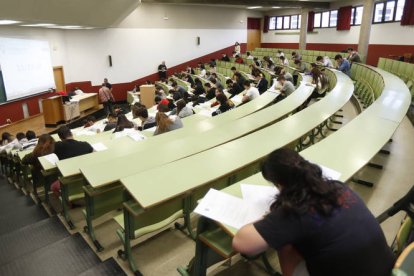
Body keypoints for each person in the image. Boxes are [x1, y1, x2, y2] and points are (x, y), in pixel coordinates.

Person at [232, 148, 394, 276]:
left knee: (285, 242)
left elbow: (241, 243)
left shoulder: (295, 211)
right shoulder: (338, 186)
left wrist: (271, 218)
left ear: (280, 184)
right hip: (387, 267)